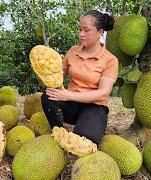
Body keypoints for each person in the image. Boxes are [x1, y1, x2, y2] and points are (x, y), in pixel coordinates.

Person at [41, 10, 118, 144]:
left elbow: (103, 93)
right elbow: (59, 74)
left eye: (86, 30)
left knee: (86, 140)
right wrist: (44, 66)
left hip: (94, 107)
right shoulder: (72, 51)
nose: (81, 34)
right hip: (71, 106)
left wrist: (67, 95)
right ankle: (58, 131)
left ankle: (88, 125)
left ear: (100, 32)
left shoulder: (110, 60)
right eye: (80, 29)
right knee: (48, 96)